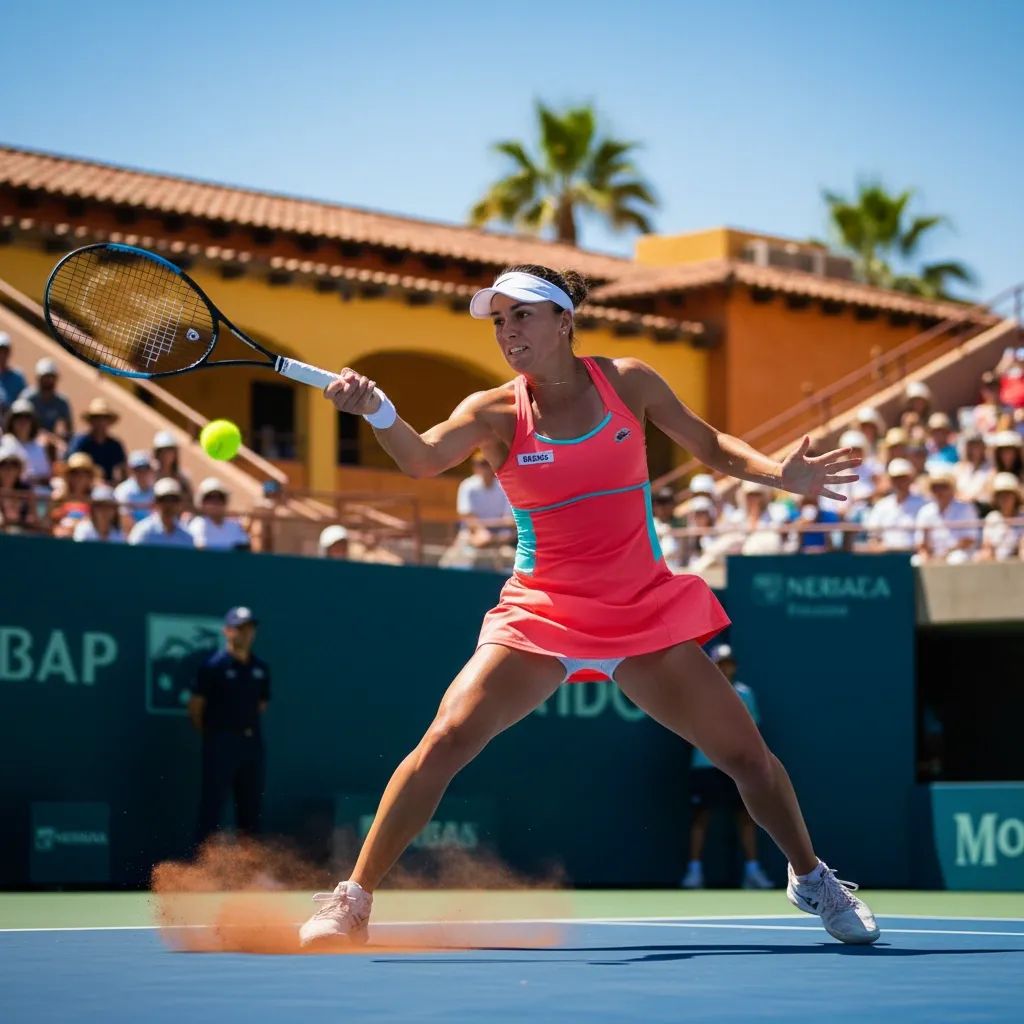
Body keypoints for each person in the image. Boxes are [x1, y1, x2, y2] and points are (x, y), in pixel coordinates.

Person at [301, 263, 879, 948]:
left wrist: (779, 473)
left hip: (641, 612)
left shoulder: (628, 381)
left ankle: (812, 878)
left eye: (522, 316)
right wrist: (379, 413)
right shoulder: (493, 412)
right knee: (445, 739)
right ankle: (353, 899)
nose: (508, 331)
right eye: (499, 321)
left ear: (562, 322)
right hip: (541, 612)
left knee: (748, 761)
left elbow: (709, 444)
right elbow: (423, 461)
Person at [681, 644, 773, 891]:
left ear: (734, 666)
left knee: (746, 816)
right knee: (701, 817)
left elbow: (753, 731)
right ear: (713, 665)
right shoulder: (698, 693)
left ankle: (752, 872)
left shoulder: (745, 694)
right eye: (720, 662)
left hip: (737, 767)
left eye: (729, 662)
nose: (725, 667)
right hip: (705, 765)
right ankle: (694, 871)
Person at [188, 607, 270, 848]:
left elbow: (261, 705)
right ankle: (201, 873)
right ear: (227, 631)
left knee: (251, 808)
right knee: (212, 807)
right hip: (220, 743)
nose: (246, 634)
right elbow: (195, 709)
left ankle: (251, 875)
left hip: (252, 745)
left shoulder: (261, 668)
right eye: (240, 628)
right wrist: (217, 736)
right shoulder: (212, 667)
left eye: (250, 629)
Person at [441, 451, 516, 570]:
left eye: (487, 463)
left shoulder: (504, 487)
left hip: (501, 538)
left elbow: (510, 521)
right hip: (470, 535)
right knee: (447, 564)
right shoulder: (467, 485)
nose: (484, 468)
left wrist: (487, 533)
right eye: (480, 464)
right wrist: (481, 532)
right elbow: (467, 518)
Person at [915, 466, 978, 563]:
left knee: (957, 558)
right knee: (917, 560)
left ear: (952, 489)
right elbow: (921, 543)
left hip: (960, 554)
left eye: (943, 487)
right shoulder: (925, 511)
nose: (939, 491)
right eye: (935, 487)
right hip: (934, 555)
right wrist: (926, 555)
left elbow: (969, 539)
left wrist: (947, 553)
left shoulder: (965, 508)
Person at [863, 459, 926, 552]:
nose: (900, 482)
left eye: (903, 478)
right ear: (891, 481)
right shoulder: (882, 505)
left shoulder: (923, 503)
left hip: (915, 555)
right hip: (887, 557)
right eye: (896, 479)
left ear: (911, 479)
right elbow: (873, 538)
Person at [67, 398, 127, 483]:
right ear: (91, 421)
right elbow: (70, 466)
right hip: (81, 486)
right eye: (96, 418)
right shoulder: (80, 442)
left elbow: (122, 471)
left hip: (107, 488)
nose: (100, 422)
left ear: (109, 422)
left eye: (104, 418)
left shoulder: (115, 445)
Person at [127, 477, 194, 547]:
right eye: (163, 500)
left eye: (174, 500)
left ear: (180, 503)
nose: (169, 504)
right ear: (155, 502)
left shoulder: (187, 537)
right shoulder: (143, 531)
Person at [188, 478, 251, 550]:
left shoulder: (235, 526)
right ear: (202, 502)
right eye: (209, 497)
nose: (215, 501)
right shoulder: (197, 524)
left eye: (220, 497)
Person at [22, 357, 73, 444]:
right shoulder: (28, 398)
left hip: (50, 443)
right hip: (27, 439)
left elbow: (69, 430)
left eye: (51, 377)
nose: (48, 381)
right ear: (38, 378)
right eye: (45, 378)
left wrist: (62, 435)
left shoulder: (62, 402)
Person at [3, 398, 51, 488]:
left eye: (27, 418)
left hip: (35, 495)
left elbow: (45, 476)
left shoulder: (39, 447)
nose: (22, 422)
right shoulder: (4, 442)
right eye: (18, 417)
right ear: (11, 421)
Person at [977, 473, 1024, 562]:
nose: (1005, 499)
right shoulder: (992, 518)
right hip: (996, 566)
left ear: (1016, 497)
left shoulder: (1022, 517)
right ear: (996, 498)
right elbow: (987, 547)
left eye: (1008, 494)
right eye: (1001, 495)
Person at [0, 436, 38, 533]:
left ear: (19, 469)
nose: (8, 470)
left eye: (13, 466)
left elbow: (33, 517)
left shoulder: (26, 489)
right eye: (3, 466)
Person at [114, 450, 157, 531]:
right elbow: (124, 519)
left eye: (145, 468)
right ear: (130, 470)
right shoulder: (122, 491)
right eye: (138, 469)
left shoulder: (156, 489)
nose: (142, 472)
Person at [152, 430, 193, 504]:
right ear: (157, 453)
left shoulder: (183, 478)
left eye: (170, 450)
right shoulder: (150, 475)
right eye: (163, 451)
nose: (167, 455)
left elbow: (190, 501)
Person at [0, 333, 27, 405]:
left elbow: (23, 402)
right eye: (0, 351)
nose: (2, 355)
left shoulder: (18, 376)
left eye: (5, 351)